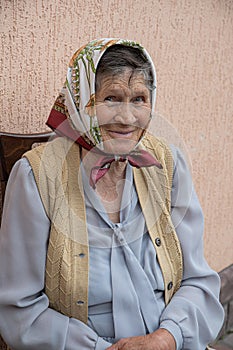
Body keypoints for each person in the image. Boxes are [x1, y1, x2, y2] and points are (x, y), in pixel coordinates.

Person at [0, 38, 224, 350]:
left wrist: (167, 338)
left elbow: (198, 281)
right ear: (81, 101)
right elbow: (20, 312)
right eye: (111, 98)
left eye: (139, 99)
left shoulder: (168, 164)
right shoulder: (36, 177)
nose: (127, 118)